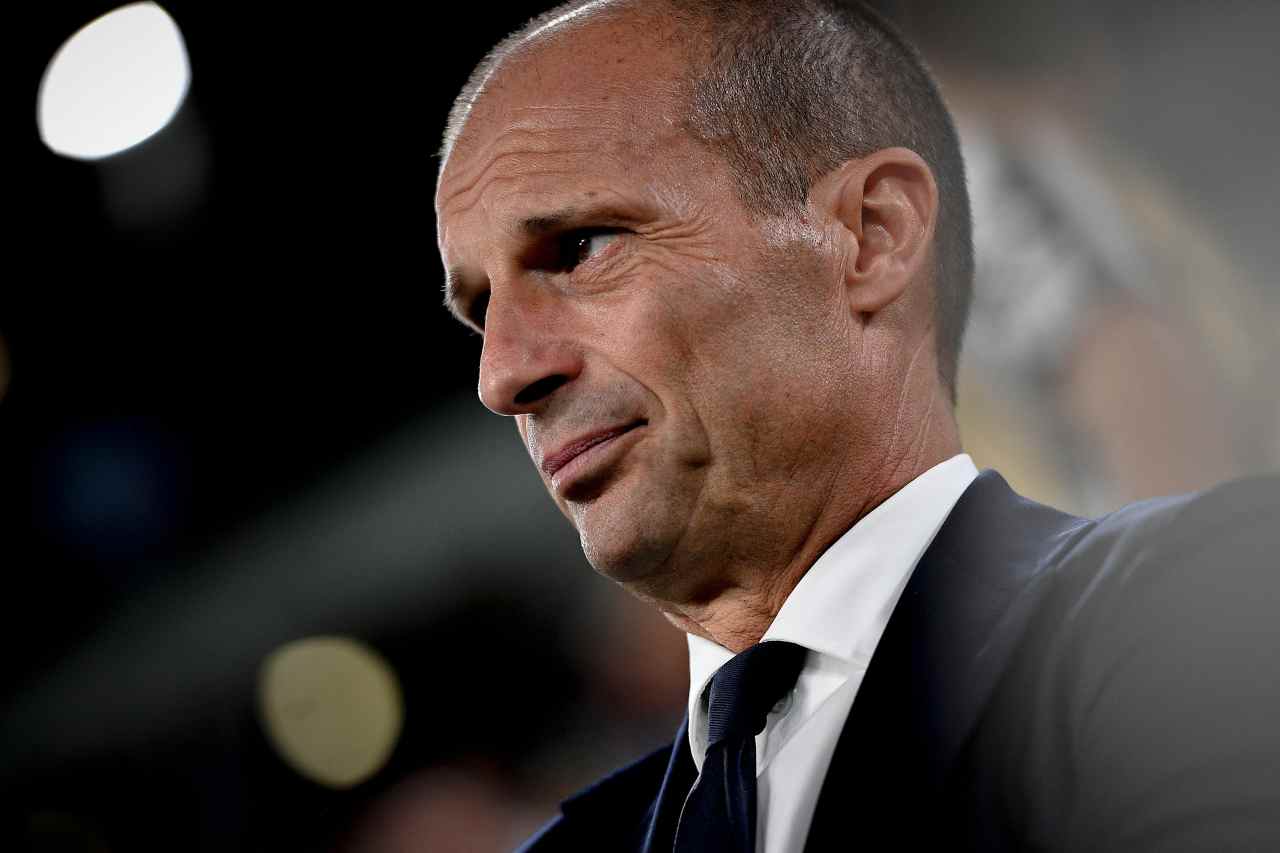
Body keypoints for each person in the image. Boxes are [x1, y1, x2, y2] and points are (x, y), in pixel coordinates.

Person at [432, 1, 1280, 850]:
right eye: (478, 312)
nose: (499, 378)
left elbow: (1135, 376)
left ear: (874, 232)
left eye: (581, 247)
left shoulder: (992, 165)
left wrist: (1166, 632)